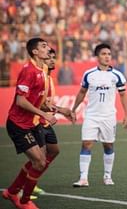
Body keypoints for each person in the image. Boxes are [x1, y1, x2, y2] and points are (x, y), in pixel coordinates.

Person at [3, 38, 57, 209]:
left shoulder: (42, 70)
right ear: (35, 51)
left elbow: (37, 100)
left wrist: (58, 110)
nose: (48, 48)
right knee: (40, 162)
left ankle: (12, 191)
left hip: (32, 124)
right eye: (43, 46)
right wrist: (44, 114)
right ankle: (24, 201)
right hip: (18, 124)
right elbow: (20, 101)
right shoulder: (29, 70)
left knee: (42, 159)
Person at [71, 43, 127, 187]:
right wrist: (73, 109)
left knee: (108, 146)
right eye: (104, 54)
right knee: (86, 144)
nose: (107, 56)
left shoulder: (117, 75)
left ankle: (107, 176)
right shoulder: (89, 74)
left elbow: (123, 95)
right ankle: (83, 178)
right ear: (97, 57)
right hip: (91, 115)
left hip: (108, 117)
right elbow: (81, 92)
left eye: (109, 54)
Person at [30, 48, 74, 199]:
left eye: (54, 57)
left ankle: (32, 180)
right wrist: (62, 110)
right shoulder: (40, 77)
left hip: (46, 122)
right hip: (37, 122)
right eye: (49, 57)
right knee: (38, 159)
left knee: (54, 151)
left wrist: (62, 111)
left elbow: (46, 103)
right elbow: (38, 104)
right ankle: (25, 186)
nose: (52, 60)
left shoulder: (49, 78)